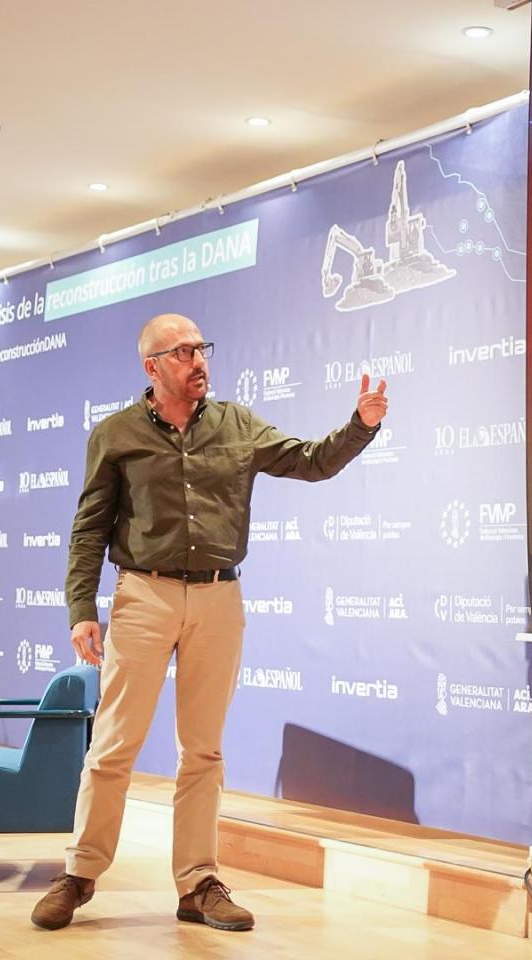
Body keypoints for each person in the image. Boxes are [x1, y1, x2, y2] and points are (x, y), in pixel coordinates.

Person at [31, 313, 388, 932]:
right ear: (152, 366)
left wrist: (361, 426)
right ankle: (81, 872)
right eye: (184, 352)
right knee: (113, 745)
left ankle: (197, 883)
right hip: (143, 595)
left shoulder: (237, 424)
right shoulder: (115, 435)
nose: (200, 362)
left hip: (220, 599)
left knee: (203, 751)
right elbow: (89, 527)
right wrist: (82, 609)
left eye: (203, 349)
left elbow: (311, 462)